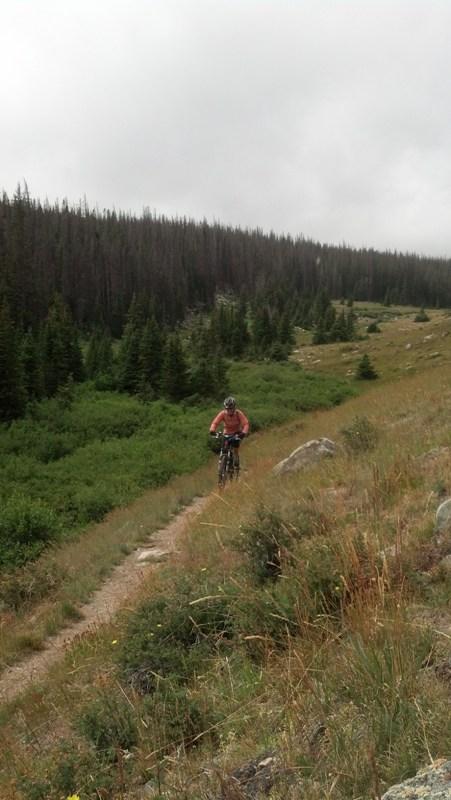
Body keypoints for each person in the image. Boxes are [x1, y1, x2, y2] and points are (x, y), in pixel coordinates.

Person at [209, 396, 250, 469]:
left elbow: (246, 423)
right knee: (224, 449)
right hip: (227, 433)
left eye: (230, 408)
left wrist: (243, 433)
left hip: (236, 433)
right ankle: (222, 463)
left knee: (235, 450)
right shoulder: (222, 413)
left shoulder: (238, 413)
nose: (229, 410)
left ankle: (236, 464)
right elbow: (215, 422)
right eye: (227, 409)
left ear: (234, 407)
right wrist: (212, 430)